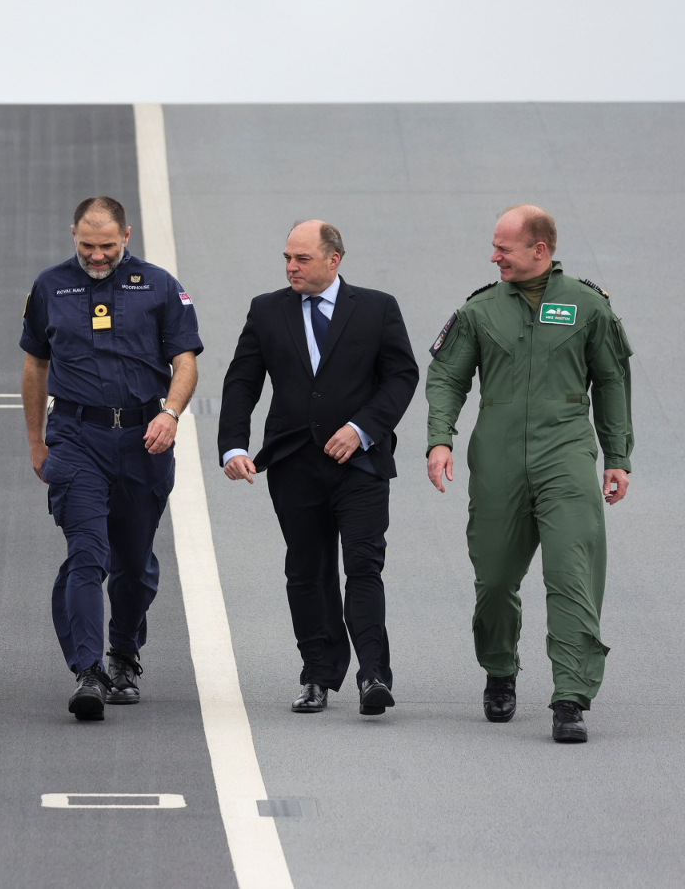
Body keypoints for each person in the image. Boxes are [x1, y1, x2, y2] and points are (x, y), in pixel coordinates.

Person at [425, 205, 633, 743]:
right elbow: (448, 376)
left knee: (572, 575)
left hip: (565, 452)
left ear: (540, 250)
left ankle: (571, 696)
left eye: (504, 249)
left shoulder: (588, 306)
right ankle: (500, 668)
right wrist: (440, 438)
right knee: (494, 579)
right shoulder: (479, 310)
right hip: (497, 457)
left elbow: (612, 382)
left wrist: (617, 456)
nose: (494, 257)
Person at [217, 221, 418, 716]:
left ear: (334, 260)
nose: (291, 267)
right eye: (287, 257)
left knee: (364, 566)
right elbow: (242, 380)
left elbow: (402, 375)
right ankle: (317, 675)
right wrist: (232, 446)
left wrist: (362, 428)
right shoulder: (267, 310)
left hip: (361, 463)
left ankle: (372, 673)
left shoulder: (377, 308)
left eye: (302, 259)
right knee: (308, 571)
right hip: (293, 464)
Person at [20, 195, 202, 721]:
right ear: (71, 234)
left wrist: (170, 413)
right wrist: (36, 441)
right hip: (77, 438)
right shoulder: (49, 286)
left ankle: (124, 652)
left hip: (145, 438)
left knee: (134, 564)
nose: (96, 256)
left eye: (105, 246)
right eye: (85, 246)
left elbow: (185, 361)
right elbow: (34, 367)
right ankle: (87, 670)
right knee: (87, 553)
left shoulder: (161, 286)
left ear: (126, 235)